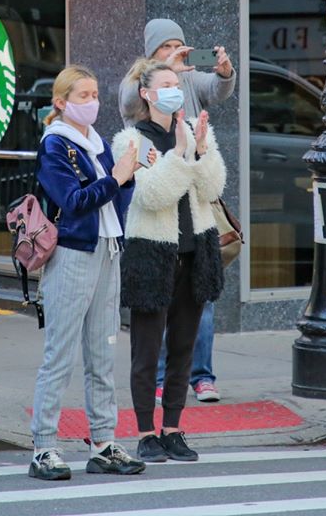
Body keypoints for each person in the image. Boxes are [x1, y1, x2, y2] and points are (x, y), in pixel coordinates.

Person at [28, 65, 146, 481]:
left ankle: (103, 443)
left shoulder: (95, 142)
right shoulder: (55, 145)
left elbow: (116, 198)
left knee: (102, 354)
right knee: (59, 355)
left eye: (95, 95)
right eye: (83, 96)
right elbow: (74, 201)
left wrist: (127, 176)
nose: (92, 102)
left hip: (108, 249)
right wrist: (116, 178)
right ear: (61, 102)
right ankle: (44, 447)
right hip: (73, 252)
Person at [113, 59, 226, 464]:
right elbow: (152, 195)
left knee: (183, 348)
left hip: (196, 253)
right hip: (151, 255)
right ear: (146, 93)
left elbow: (212, 188)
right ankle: (146, 432)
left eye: (176, 83)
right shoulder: (131, 140)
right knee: (146, 351)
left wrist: (200, 150)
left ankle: (174, 428)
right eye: (165, 83)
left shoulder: (196, 129)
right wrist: (179, 154)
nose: (174, 89)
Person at [118, 18, 236, 403]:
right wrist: (162, 71)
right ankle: (157, 383)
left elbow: (217, 89)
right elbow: (128, 100)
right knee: (157, 308)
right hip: (156, 223)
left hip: (195, 216)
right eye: (164, 46)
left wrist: (224, 72)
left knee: (199, 302)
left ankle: (201, 376)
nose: (174, 52)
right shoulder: (139, 89)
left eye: (178, 45)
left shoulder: (189, 79)